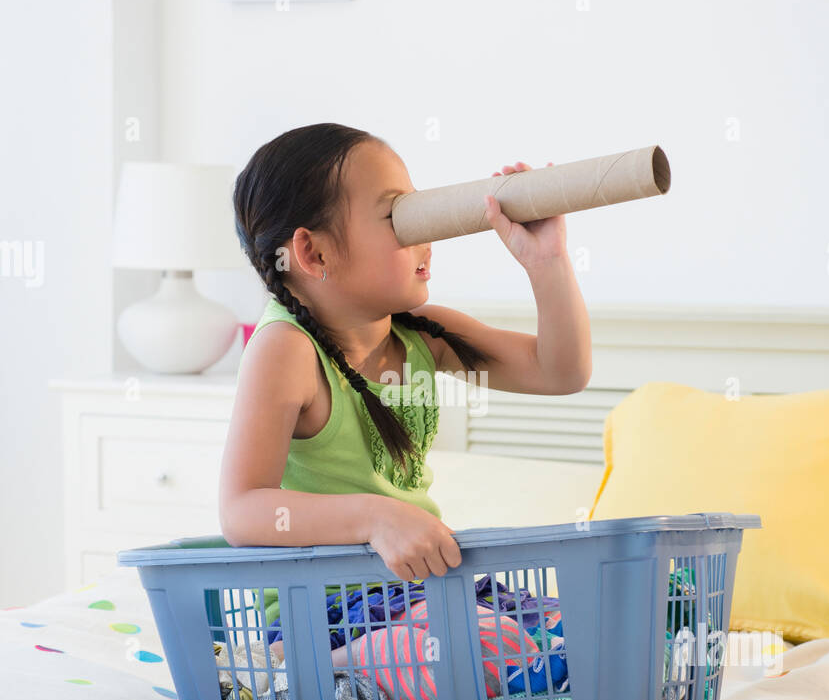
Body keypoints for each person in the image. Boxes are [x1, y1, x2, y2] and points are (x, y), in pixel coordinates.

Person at [219, 122, 591, 583]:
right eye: (398, 216)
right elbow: (242, 511)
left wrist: (547, 262)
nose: (426, 237)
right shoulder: (287, 350)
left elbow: (560, 373)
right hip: (327, 610)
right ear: (314, 254)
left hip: (415, 598)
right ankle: (308, 659)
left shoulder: (425, 335)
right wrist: (377, 518)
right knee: (490, 642)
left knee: (552, 635)